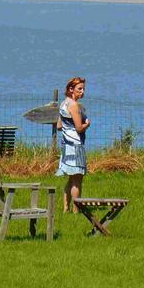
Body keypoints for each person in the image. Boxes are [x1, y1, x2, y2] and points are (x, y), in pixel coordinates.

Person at [56, 76, 90, 213]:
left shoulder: (63, 103)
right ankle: (76, 210)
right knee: (77, 179)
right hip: (76, 145)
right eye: (79, 89)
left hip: (66, 144)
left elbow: (59, 126)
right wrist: (87, 123)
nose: (82, 92)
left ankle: (65, 208)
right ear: (71, 89)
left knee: (70, 178)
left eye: (83, 89)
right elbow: (79, 128)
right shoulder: (74, 106)